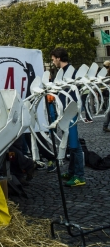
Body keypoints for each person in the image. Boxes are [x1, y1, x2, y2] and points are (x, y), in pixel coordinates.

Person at [51, 47, 85, 187]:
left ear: (58, 58)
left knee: (74, 144)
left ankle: (79, 176)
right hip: (65, 112)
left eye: (53, 59)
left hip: (70, 112)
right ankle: (72, 171)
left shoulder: (71, 73)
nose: (52, 62)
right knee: (71, 142)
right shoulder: (62, 72)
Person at [102, 60, 110, 132]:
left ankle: (105, 125)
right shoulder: (104, 74)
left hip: (107, 94)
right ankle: (105, 125)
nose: (106, 68)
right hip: (107, 94)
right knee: (109, 110)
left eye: (107, 67)